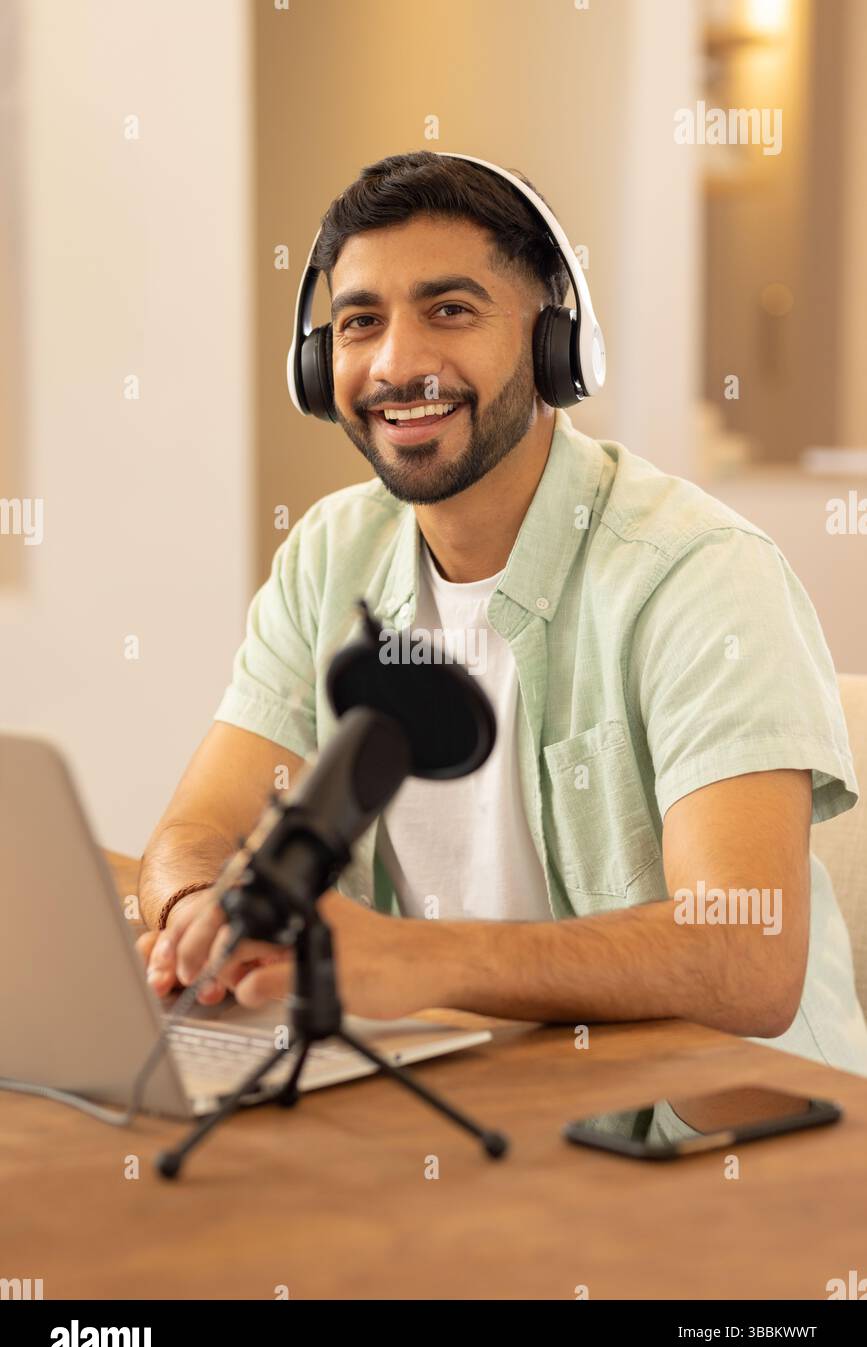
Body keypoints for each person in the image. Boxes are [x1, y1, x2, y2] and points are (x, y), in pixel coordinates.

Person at [136, 151, 867, 1077]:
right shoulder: (329, 556)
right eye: (361, 322)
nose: (398, 364)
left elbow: (748, 959)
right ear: (320, 366)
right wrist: (196, 913)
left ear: (555, 345)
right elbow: (195, 830)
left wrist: (417, 961)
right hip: (457, 1096)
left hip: (696, 1134)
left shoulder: (699, 576)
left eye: (450, 310)